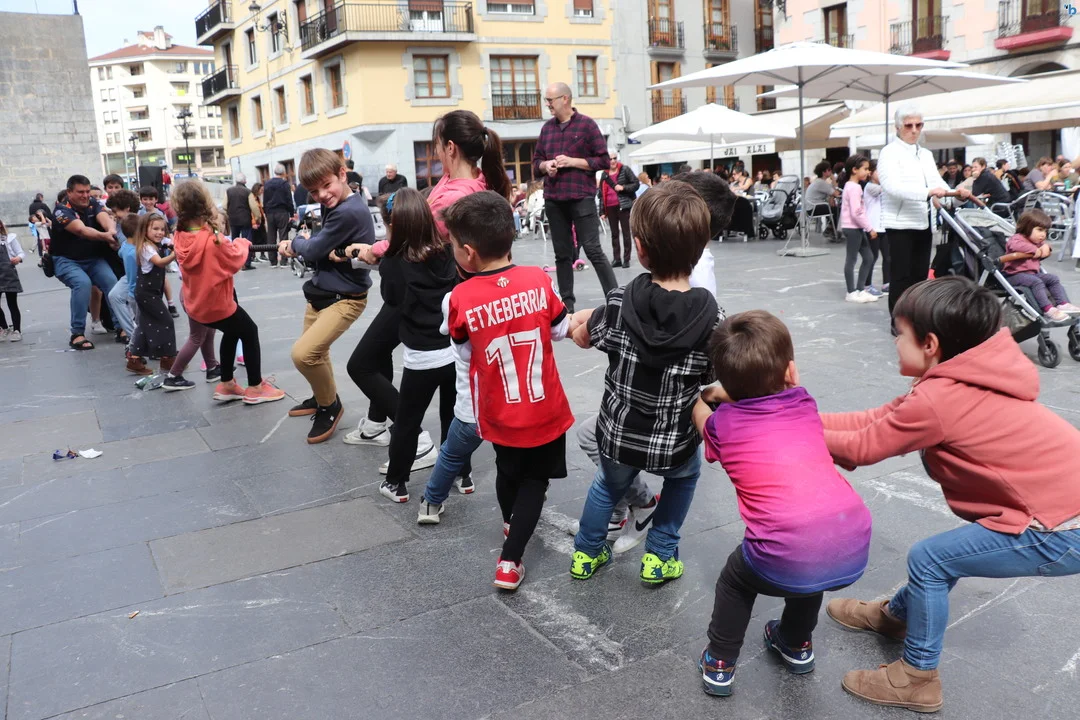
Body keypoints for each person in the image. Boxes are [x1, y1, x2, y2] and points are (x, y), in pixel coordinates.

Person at [821, 276, 1080, 713]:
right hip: (1062, 509)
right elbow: (876, 418)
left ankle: (916, 679)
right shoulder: (960, 378)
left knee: (932, 559)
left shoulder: (940, 398)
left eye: (898, 333)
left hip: (1062, 527)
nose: (894, 342)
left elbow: (863, 445)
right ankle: (896, 617)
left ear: (930, 344)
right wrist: (796, 414)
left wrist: (783, 426)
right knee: (947, 557)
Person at [693, 310, 871, 698]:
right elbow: (771, 397)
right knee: (807, 555)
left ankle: (720, 661)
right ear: (791, 372)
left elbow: (702, 418)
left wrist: (706, 396)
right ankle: (795, 642)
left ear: (727, 381)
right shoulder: (805, 403)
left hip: (785, 551)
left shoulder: (724, 425)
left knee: (735, 580)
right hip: (852, 540)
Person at [567, 170, 736, 553]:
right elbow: (711, 374)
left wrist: (578, 326)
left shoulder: (618, 302)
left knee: (606, 486)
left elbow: (586, 336)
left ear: (640, 249)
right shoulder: (713, 318)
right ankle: (660, 554)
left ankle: (586, 553)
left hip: (620, 435)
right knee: (684, 479)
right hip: (675, 437)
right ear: (699, 250)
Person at [342, 109, 508, 466]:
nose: (435, 152)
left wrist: (370, 250)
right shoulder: (461, 181)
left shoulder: (455, 196)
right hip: (424, 286)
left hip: (422, 292)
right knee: (411, 371)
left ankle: (414, 438)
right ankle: (380, 425)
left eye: (436, 145)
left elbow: (412, 236)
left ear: (450, 147)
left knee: (362, 363)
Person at [444, 190, 574, 591]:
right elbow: (560, 328)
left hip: (499, 410)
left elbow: (463, 349)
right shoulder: (538, 278)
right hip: (544, 408)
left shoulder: (461, 296)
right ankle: (510, 560)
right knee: (535, 482)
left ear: (468, 253)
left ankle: (509, 523)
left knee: (507, 469)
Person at [357, 189, 457, 503]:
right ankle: (462, 475)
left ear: (393, 225)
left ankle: (396, 483)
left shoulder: (395, 262)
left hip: (421, 357)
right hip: (453, 351)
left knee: (406, 422)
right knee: (452, 416)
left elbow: (392, 299)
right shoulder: (447, 251)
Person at [276, 149, 373, 443]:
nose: (322, 195)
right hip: (324, 292)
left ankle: (330, 406)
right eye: (314, 191)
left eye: (326, 185)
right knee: (318, 354)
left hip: (345, 298)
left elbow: (315, 250)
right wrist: (311, 244)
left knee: (304, 354)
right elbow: (321, 244)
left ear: (342, 174)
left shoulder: (348, 211)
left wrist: (296, 243)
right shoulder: (339, 202)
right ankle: (322, 396)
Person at [171, 180, 285, 405]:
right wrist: (242, 243)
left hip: (198, 305)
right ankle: (255, 387)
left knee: (232, 332)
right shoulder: (212, 240)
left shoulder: (180, 235)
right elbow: (234, 259)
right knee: (250, 331)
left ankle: (227, 384)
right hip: (218, 304)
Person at [533, 81, 617, 313]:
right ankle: (567, 306)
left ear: (565, 99)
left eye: (550, 100)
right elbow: (536, 163)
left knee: (593, 249)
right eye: (546, 100)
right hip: (554, 198)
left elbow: (603, 161)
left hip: (581, 197)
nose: (547, 104)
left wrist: (573, 162)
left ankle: (614, 299)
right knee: (562, 254)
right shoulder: (546, 129)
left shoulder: (587, 125)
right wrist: (545, 166)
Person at [877, 104, 967, 319]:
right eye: (909, 125)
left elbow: (936, 183)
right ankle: (898, 320)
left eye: (919, 125)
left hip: (923, 221)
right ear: (898, 127)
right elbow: (892, 187)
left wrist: (956, 194)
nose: (914, 130)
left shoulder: (925, 154)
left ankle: (915, 317)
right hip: (899, 223)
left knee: (919, 275)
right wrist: (928, 192)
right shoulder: (889, 153)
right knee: (901, 275)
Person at [49, 174, 123, 350]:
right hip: (66, 260)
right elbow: (81, 230)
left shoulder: (93, 202)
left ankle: (122, 327)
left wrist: (111, 231)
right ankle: (77, 334)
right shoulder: (61, 211)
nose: (85, 195)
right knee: (82, 284)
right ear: (69, 192)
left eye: (87, 191)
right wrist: (105, 236)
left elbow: (104, 217)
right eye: (80, 192)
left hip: (93, 259)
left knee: (112, 283)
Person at [1000, 209, 1080, 321]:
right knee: (1036, 282)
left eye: (1045, 231)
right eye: (1040, 230)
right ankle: (1047, 309)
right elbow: (1015, 246)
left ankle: (1063, 304)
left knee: (1053, 278)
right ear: (1027, 227)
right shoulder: (1017, 238)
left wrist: (1046, 247)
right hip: (1013, 275)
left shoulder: (1036, 242)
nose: (1043, 234)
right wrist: (1034, 250)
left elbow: (1045, 246)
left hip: (1031, 274)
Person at [128, 212, 177, 377]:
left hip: (151, 292)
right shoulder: (146, 247)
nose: (160, 232)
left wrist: (173, 243)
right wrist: (175, 254)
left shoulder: (158, 243)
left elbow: (171, 241)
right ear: (145, 230)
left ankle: (134, 360)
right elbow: (160, 262)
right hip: (147, 294)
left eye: (162, 229)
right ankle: (167, 359)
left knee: (144, 325)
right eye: (155, 229)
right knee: (167, 321)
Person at [839, 155, 879, 304]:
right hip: (853, 228)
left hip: (855, 227)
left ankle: (860, 290)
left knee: (868, 258)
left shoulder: (852, 186)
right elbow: (857, 212)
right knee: (852, 259)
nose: (868, 172)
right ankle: (851, 292)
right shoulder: (854, 187)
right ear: (854, 170)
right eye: (865, 169)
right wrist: (869, 228)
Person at [104, 190, 141, 350]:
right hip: (130, 274)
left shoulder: (140, 223)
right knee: (115, 296)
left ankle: (140, 339)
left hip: (141, 274)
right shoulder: (120, 225)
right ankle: (134, 336)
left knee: (140, 311)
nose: (114, 215)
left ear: (127, 209)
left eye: (115, 211)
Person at [597, 150, 639, 268]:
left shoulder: (625, 169)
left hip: (623, 205)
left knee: (626, 233)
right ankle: (617, 259)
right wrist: (602, 211)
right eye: (610, 159)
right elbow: (601, 194)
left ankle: (626, 259)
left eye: (615, 158)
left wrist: (623, 187)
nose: (613, 161)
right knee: (614, 234)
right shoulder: (604, 174)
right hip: (610, 207)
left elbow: (636, 184)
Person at [863, 161, 889, 294]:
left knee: (888, 257)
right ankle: (867, 286)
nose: (881, 174)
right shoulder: (870, 187)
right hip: (872, 228)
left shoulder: (878, 186)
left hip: (883, 227)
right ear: (871, 173)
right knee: (872, 258)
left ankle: (886, 284)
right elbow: (885, 190)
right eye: (878, 171)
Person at [263, 163, 295, 268]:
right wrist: (291, 213)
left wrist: (266, 212)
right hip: (282, 212)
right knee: (283, 236)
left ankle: (273, 261)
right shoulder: (285, 184)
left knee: (271, 236)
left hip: (270, 213)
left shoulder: (267, 184)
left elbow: (265, 200)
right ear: (283, 172)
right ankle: (283, 260)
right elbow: (289, 200)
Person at [225, 174, 260, 269]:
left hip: (233, 220)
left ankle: (235, 262)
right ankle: (246, 263)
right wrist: (257, 218)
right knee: (246, 242)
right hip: (245, 220)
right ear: (244, 181)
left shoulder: (228, 191)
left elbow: (224, 206)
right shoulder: (247, 192)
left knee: (234, 242)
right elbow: (254, 207)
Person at [0, 218, 25, 341]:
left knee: (12, 303)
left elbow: (21, 253)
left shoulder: (9, 238)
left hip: (8, 273)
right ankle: (4, 327)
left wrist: (18, 259)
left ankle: (17, 330)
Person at [805, 161, 841, 240]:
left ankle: (830, 228)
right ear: (824, 172)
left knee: (833, 208)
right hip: (814, 208)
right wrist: (833, 179)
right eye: (829, 170)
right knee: (837, 210)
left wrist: (832, 197)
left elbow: (831, 192)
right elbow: (836, 193)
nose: (831, 172)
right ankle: (830, 230)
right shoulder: (821, 183)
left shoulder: (819, 182)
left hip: (810, 207)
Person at [248, 182, 268, 267]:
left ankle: (262, 254)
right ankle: (253, 256)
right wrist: (253, 222)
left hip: (260, 220)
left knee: (263, 238)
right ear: (257, 189)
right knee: (255, 239)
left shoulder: (257, 198)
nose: (262, 192)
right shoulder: (252, 198)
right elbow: (252, 211)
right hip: (256, 221)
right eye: (261, 190)